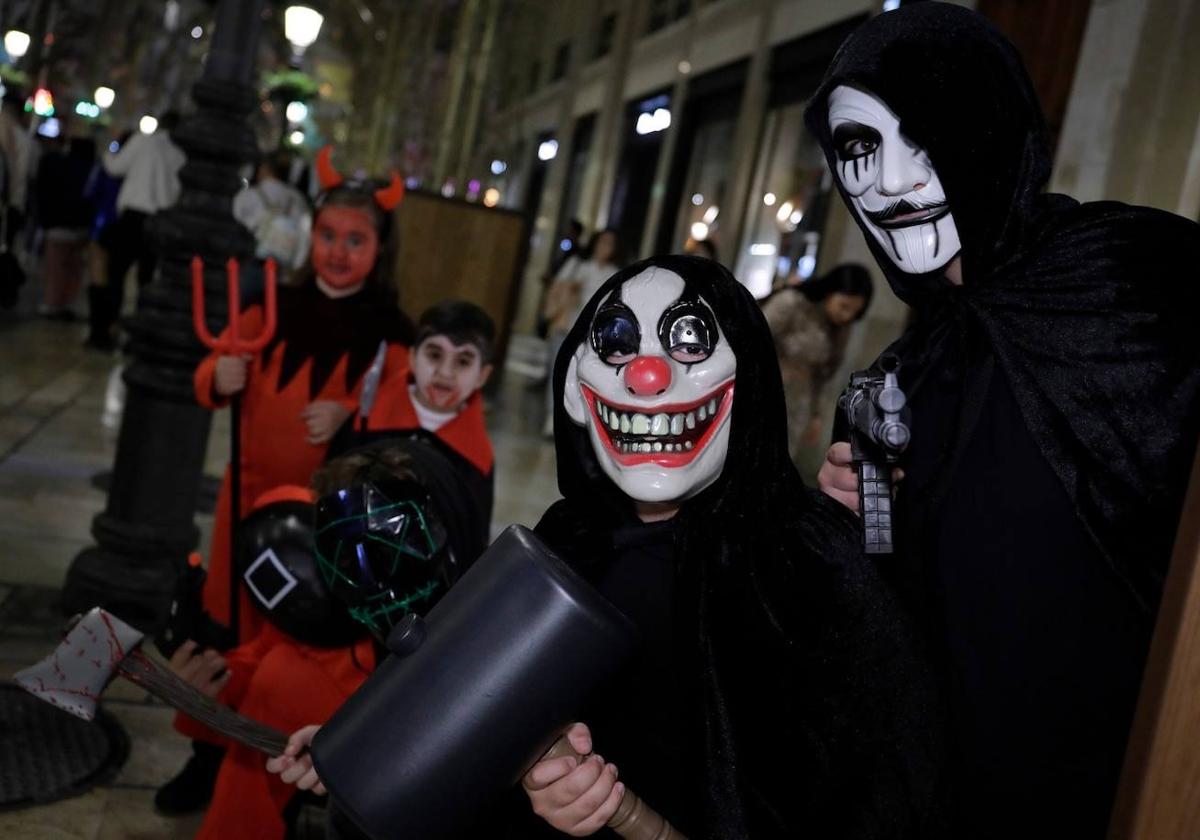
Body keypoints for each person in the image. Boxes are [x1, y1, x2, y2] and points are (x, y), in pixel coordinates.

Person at [804, 5, 1200, 838]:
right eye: (859, 149)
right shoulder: (911, 366)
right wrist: (859, 510)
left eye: (926, 135)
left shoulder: (1129, 276)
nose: (890, 182)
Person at [522, 255, 945, 837]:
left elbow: (878, 771)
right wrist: (536, 772)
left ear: (749, 382)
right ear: (575, 385)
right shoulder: (562, 543)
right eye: (616, 341)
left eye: (691, 340)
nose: (647, 374)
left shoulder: (796, 561)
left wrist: (854, 543)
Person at [155, 147, 414, 815]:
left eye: (355, 241)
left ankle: (267, 761)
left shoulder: (391, 336)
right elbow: (208, 375)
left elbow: (398, 426)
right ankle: (205, 754)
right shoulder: (273, 303)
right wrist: (221, 376)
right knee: (224, 630)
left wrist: (349, 418)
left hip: (314, 523)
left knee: (280, 643)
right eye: (328, 236)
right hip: (242, 505)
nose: (337, 251)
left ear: (379, 249)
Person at [177, 439, 488, 840]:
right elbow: (273, 648)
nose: (373, 582)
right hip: (339, 700)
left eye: (390, 550)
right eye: (351, 559)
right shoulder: (332, 609)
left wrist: (365, 744)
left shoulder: (490, 633)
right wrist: (216, 684)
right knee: (279, 679)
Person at [329, 299, 497, 529]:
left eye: (463, 361)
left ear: (482, 376)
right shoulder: (367, 420)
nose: (446, 373)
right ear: (412, 358)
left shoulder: (476, 458)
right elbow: (329, 493)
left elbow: (472, 536)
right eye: (435, 355)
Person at [761, 263, 873, 463]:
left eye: (854, 312)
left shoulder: (841, 328)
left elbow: (825, 375)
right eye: (844, 306)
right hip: (765, 388)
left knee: (779, 461)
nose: (846, 316)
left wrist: (816, 416)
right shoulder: (792, 303)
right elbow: (754, 338)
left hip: (799, 400)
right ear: (830, 291)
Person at [94, 112, 186, 347]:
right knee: (147, 281)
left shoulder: (144, 141)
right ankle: (138, 337)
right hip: (160, 221)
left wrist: (110, 148)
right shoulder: (180, 154)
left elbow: (115, 168)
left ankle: (108, 328)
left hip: (133, 217)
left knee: (116, 273)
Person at [540, 228, 623, 436]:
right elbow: (557, 289)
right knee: (558, 373)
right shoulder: (578, 265)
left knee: (582, 377)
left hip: (593, 335)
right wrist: (571, 289)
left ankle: (574, 420)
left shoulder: (613, 273)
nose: (605, 247)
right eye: (602, 242)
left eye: (609, 244)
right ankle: (554, 416)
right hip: (566, 325)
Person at [34, 135, 96, 319]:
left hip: (57, 223)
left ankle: (53, 302)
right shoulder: (90, 169)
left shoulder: (57, 165)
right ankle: (68, 302)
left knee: (55, 266)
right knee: (75, 267)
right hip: (81, 226)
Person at [232, 149, 312, 283]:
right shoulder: (298, 199)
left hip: (253, 261)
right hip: (283, 267)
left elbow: (235, 218)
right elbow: (304, 235)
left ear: (265, 169)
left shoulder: (249, 194)